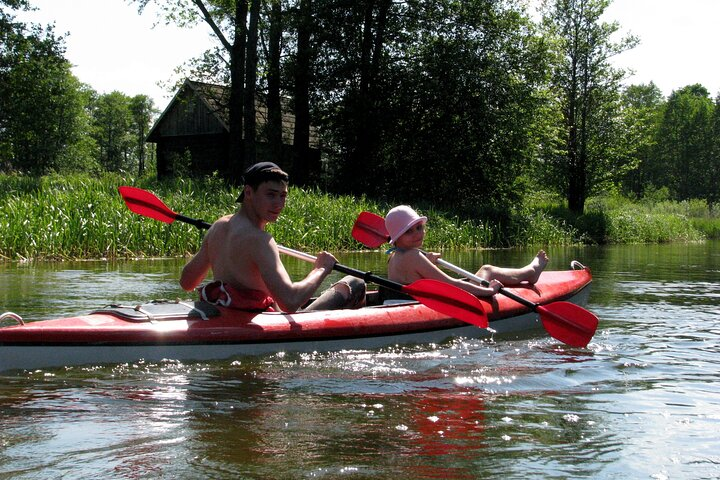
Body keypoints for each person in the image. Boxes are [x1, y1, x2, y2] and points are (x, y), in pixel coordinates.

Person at [180, 162, 365, 312]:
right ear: (248, 192)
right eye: (271, 195)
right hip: (271, 323)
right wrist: (322, 269)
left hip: (234, 315)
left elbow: (187, 282)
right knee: (355, 283)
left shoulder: (218, 226)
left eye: (283, 196)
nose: (279, 204)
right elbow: (290, 302)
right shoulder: (260, 240)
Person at [383, 205, 548, 299]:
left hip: (402, 301)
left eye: (419, 228)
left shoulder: (394, 255)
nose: (417, 234)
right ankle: (530, 272)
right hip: (425, 304)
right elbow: (452, 285)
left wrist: (427, 260)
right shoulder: (414, 256)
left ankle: (529, 272)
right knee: (487, 270)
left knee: (484, 271)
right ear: (397, 237)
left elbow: (412, 273)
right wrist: (489, 291)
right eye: (409, 231)